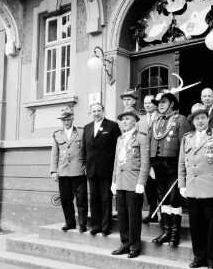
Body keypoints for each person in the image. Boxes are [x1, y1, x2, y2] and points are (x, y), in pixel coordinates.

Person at [178, 103, 213, 269]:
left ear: (207, 119)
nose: (200, 121)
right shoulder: (187, 138)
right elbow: (181, 163)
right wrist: (182, 184)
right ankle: (199, 257)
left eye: (203, 117)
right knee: (196, 227)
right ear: (192, 121)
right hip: (193, 189)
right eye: (197, 118)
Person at [150, 90, 192, 247]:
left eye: (164, 102)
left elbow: (185, 146)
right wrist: (150, 166)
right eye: (159, 103)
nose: (160, 105)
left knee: (174, 199)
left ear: (172, 104)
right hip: (158, 166)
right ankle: (166, 231)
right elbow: (151, 145)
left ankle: (175, 234)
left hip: (174, 166)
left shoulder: (181, 120)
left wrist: (184, 169)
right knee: (163, 199)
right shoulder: (156, 122)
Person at [111, 108, 150, 258]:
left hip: (134, 183)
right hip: (120, 183)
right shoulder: (120, 139)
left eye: (128, 119)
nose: (125, 122)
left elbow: (145, 163)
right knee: (122, 215)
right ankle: (124, 243)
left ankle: (134, 246)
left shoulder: (141, 138)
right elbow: (116, 162)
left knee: (133, 216)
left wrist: (141, 182)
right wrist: (114, 181)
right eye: (123, 119)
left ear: (134, 121)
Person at [83, 103, 121, 236]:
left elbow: (118, 147)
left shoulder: (112, 126)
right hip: (92, 169)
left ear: (103, 111)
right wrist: (84, 165)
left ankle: (106, 227)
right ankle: (96, 225)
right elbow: (85, 149)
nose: (96, 113)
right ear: (91, 113)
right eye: (94, 111)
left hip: (106, 168)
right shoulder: (87, 128)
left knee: (105, 198)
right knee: (94, 198)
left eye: (99, 110)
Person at [50, 106, 88, 233]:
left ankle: (82, 224)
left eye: (68, 119)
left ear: (72, 118)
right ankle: (70, 223)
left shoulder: (81, 132)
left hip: (78, 170)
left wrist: (86, 166)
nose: (66, 122)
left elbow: (87, 151)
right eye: (63, 120)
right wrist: (54, 171)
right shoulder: (57, 135)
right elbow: (54, 154)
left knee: (81, 199)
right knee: (66, 199)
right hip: (63, 171)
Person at [138, 94, 160, 224]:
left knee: (160, 187)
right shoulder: (140, 120)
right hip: (145, 158)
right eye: (145, 103)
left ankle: (164, 214)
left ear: (155, 104)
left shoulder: (161, 117)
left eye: (149, 103)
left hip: (158, 157)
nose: (146, 105)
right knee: (149, 188)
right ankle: (153, 213)